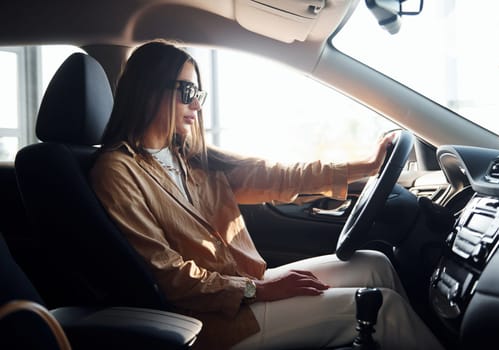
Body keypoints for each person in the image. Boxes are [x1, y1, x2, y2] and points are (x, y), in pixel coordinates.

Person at [90, 39, 444, 350]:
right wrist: (256, 291)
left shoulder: (188, 157)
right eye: (187, 93)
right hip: (209, 321)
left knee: (374, 265)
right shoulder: (118, 172)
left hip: (244, 289)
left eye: (198, 94)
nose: (197, 105)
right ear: (149, 91)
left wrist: (365, 165)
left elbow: (276, 176)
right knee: (383, 308)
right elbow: (170, 276)